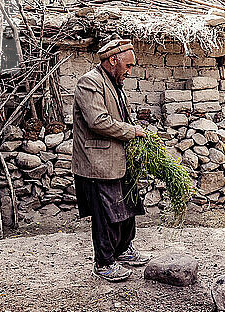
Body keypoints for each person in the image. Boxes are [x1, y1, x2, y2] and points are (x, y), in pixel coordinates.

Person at [72, 38, 150, 282]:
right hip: (98, 162)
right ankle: (104, 262)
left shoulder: (114, 83)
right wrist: (131, 131)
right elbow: (98, 121)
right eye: (127, 66)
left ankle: (124, 250)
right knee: (106, 213)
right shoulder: (90, 83)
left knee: (127, 206)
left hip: (118, 158)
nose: (129, 71)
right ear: (113, 60)